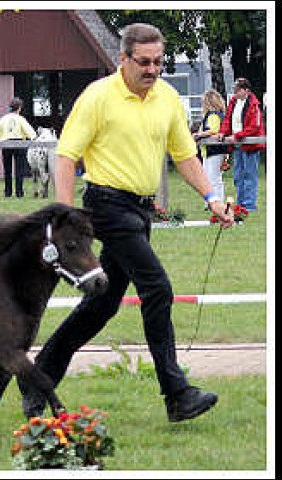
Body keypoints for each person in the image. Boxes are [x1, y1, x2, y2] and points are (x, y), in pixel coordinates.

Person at [17, 23, 233, 423]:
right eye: (144, 62)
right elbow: (66, 156)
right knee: (157, 288)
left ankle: (36, 376)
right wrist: (65, 216)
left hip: (139, 210)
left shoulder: (168, 99)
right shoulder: (98, 97)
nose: (152, 70)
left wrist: (213, 198)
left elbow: (185, 156)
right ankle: (177, 393)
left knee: (102, 305)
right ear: (123, 59)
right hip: (106, 204)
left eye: (158, 62)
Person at [217, 78, 266, 212]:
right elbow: (228, 119)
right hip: (237, 145)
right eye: (235, 90)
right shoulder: (233, 102)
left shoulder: (254, 104)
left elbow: (254, 127)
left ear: (246, 90)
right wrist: (223, 132)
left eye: (238, 90)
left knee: (249, 175)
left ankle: (249, 205)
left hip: (250, 146)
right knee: (238, 175)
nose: (235, 92)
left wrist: (237, 135)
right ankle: (240, 204)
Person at [0, 97, 37, 198]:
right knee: (19, 169)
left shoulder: (3, 118)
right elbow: (32, 134)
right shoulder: (21, 119)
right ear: (19, 108)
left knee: (7, 169)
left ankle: (8, 192)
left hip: (6, 144)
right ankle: (19, 192)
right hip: (19, 144)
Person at [193, 89, 227, 209]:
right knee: (211, 178)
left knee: (213, 178)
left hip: (215, 151)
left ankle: (216, 203)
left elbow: (213, 130)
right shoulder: (216, 115)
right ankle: (213, 203)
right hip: (210, 152)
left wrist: (199, 135)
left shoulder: (213, 115)